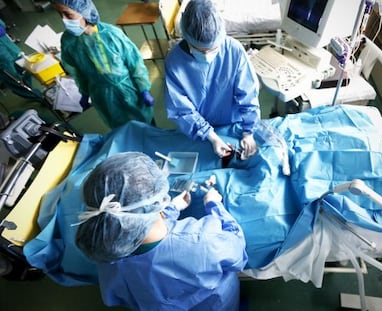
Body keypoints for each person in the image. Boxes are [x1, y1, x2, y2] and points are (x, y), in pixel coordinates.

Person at [75, 152, 248, 311]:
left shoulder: (106, 252)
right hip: (214, 304)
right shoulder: (202, 240)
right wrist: (214, 205)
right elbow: (237, 252)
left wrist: (171, 210)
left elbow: (116, 294)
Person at [164, 0, 261, 160]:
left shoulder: (233, 50)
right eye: (200, 50)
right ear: (187, 38)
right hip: (198, 131)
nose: (207, 56)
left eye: (214, 49)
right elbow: (182, 110)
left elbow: (248, 94)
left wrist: (248, 132)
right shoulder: (174, 62)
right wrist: (211, 136)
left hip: (232, 123)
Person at [52, 0, 155, 128]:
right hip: (102, 95)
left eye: (68, 14)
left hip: (129, 89)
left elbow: (134, 63)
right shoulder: (69, 42)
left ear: (84, 12)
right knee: (121, 128)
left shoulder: (111, 34)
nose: (63, 20)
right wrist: (84, 93)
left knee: (146, 124)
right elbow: (78, 72)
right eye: (59, 14)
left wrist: (143, 89)